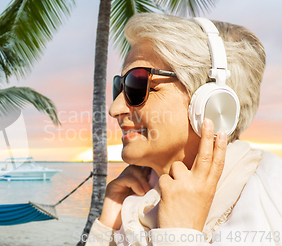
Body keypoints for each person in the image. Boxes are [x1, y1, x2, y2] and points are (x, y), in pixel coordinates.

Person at [84, 13, 282, 246]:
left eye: (137, 84)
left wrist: (179, 235)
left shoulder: (266, 197)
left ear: (210, 101)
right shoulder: (138, 198)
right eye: (120, 87)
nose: (115, 109)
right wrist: (106, 226)